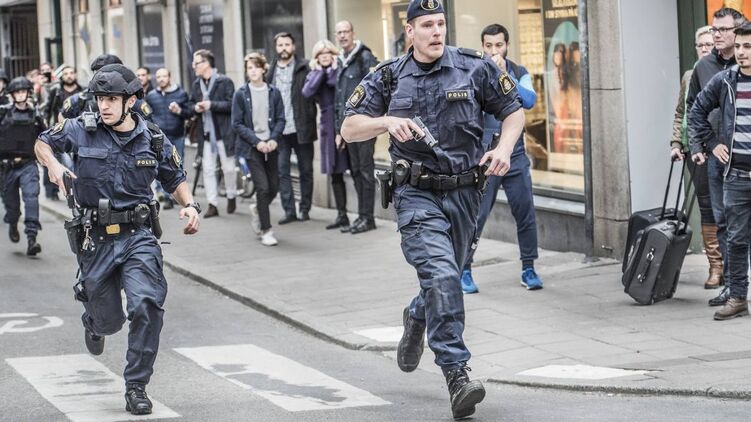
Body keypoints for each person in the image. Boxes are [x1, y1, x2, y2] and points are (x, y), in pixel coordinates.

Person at [341, 1, 524, 419]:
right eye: (426, 25)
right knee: (442, 275)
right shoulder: (388, 76)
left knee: (447, 278)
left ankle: (417, 314)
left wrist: (504, 148)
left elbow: (513, 111)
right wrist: (386, 122)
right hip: (416, 194)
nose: (436, 31)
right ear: (410, 31)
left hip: (465, 194)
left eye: (441, 23)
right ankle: (457, 373)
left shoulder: (474, 67)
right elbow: (349, 127)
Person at [34, 63, 201, 415]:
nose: (104, 105)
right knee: (109, 321)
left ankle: (136, 386)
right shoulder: (81, 128)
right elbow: (43, 141)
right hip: (95, 239)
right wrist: (53, 165)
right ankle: (93, 322)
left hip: (138, 236)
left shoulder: (152, 138)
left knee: (146, 305)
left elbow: (175, 178)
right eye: (100, 98)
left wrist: (189, 205)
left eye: (111, 98)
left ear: (130, 101)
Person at [460, 23, 540, 294]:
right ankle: (464, 269)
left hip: (515, 156)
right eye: (488, 45)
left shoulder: (519, 71)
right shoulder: (474, 73)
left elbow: (529, 100)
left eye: (499, 45)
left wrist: (505, 76)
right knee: (477, 215)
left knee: (525, 212)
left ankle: (529, 268)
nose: (494, 50)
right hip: (486, 157)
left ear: (507, 45)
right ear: (482, 46)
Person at [690, 23, 751, 321]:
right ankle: (738, 297)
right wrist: (712, 144)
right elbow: (696, 112)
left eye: (747, 47)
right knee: (736, 240)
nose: (741, 52)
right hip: (736, 175)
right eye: (738, 46)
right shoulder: (725, 80)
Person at [670, 26, 720, 290]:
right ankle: (715, 266)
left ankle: (731, 265)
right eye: (700, 45)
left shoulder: (724, 73)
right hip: (695, 149)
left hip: (720, 148)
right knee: (706, 205)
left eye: (709, 44)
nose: (704, 48)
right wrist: (676, 142)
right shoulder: (689, 76)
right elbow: (681, 112)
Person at [232, 53, 285, 246]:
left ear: (263, 69)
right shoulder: (240, 94)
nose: (253, 71)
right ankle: (266, 230)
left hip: (271, 146)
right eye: (249, 68)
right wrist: (256, 142)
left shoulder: (274, 92)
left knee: (274, 187)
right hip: (251, 148)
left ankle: (257, 208)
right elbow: (237, 123)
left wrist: (274, 139)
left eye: (256, 67)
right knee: (262, 188)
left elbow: (281, 119)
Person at [266, 32, 318, 224]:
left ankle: (304, 209)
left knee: (306, 170)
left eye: (287, 44)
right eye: (280, 45)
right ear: (276, 48)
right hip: (280, 130)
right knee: (282, 171)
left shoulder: (305, 67)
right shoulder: (270, 71)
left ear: (293, 47)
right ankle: (289, 211)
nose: (284, 48)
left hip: (302, 127)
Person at [334, 20, 379, 234]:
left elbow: (376, 89)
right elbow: (339, 99)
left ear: (353, 33)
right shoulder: (341, 60)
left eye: (346, 32)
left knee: (366, 172)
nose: (343, 36)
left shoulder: (364, 57)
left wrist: (372, 121)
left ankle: (368, 218)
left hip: (365, 125)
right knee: (356, 171)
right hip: (349, 127)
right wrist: (339, 130)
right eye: (339, 33)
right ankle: (361, 216)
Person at [303, 40, 351, 230]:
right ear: (316, 57)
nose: (324, 56)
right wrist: (322, 72)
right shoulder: (314, 73)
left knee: (354, 170)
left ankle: (363, 216)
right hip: (327, 127)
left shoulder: (339, 71)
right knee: (335, 172)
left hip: (344, 122)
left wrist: (329, 71)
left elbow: (334, 83)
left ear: (333, 55)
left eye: (328, 53)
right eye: (320, 54)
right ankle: (342, 214)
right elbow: (307, 92)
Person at [189, 49, 238, 218]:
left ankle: (231, 194)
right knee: (208, 170)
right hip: (205, 134)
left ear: (206, 63)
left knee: (229, 169)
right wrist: (195, 108)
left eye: (196, 63)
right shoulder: (196, 85)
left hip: (224, 133)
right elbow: (191, 104)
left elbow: (232, 105)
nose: (193, 66)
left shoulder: (225, 81)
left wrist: (211, 105)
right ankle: (212, 204)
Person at [0, 77, 46, 256]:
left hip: (28, 164)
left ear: (28, 93)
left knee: (31, 198)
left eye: (23, 91)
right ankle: (13, 222)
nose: (20, 95)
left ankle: (32, 238)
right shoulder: (3, 113)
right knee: (11, 206)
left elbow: (45, 139)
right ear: (12, 95)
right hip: (7, 166)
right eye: (17, 92)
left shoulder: (36, 116)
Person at [146, 68, 192, 209]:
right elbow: (147, 115)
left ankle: (179, 195)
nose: (161, 79)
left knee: (177, 165)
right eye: (159, 76)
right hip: (158, 138)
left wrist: (179, 110)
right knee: (160, 166)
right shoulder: (151, 96)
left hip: (177, 136)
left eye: (164, 76)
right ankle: (166, 197)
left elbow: (190, 112)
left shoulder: (181, 94)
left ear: (170, 77)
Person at [61, 54, 154, 122]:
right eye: (98, 73)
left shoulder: (131, 100)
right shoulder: (81, 99)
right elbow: (62, 120)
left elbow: (148, 126)